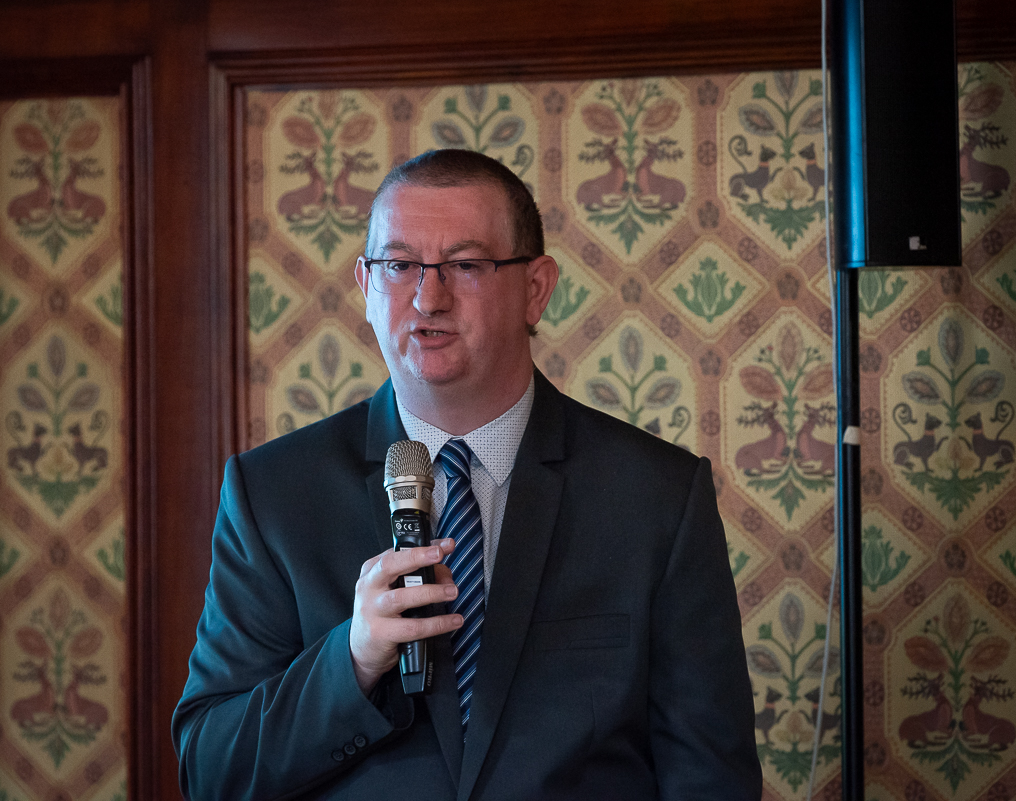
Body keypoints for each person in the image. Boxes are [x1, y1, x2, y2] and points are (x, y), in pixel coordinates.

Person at [173, 149, 761, 800]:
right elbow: (211, 770)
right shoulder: (272, 494)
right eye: (400, 265)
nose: (429, 298)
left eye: (465, 265)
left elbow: (711, 777)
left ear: (536, 288)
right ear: (366, 286)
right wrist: (352, 660)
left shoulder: (656, 495)